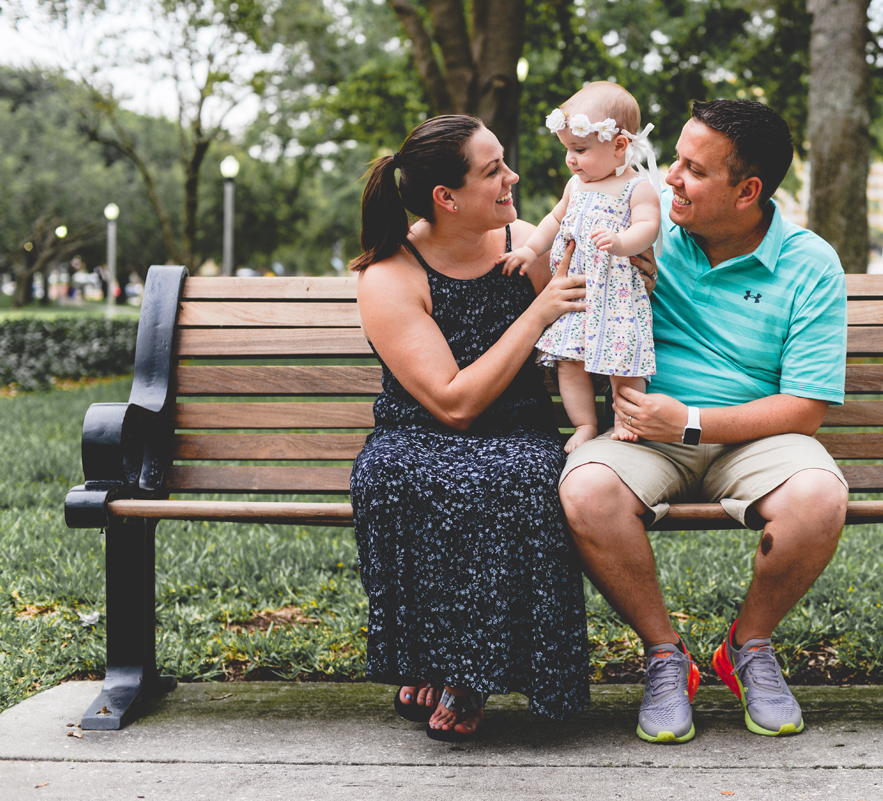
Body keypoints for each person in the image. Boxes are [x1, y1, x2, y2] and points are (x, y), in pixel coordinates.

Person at [558, 100, 849, 743]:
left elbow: (806, 408)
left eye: (693, 171)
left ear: (747, 190)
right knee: (585, 489)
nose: (669, 180)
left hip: (751, 437)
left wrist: (688, 421)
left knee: (818, 498)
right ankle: (667, 656)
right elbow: (560, 257)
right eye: (675, 162)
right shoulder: (645, 228)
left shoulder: (809, 263)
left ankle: (748, 646)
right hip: (644, 433)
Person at [349, 114, 590, 742]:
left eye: (503, 161)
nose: (512, 178)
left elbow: (587, 315)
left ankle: (461, 673)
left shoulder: (524, 243)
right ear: (445, 198)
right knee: (401, 475)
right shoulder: (391, 275)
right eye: (493, 171)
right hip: (418, 431)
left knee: (518, 476)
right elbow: (453, 405)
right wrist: (534, 316)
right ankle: (437, 661)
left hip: (519, 430)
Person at [499, 82, 661, 452]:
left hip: (617, 294)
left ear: (619, 145)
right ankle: (584, 424)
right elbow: (553, 221)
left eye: (581, 149)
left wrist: (622, 242)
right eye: (568, 150)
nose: (571, 159)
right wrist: (528, 252)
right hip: (577, 295)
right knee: (569, 364)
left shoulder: (637, 188)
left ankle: (626, 418)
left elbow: (647, 228)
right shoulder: (576, 185)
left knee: (625, 365)